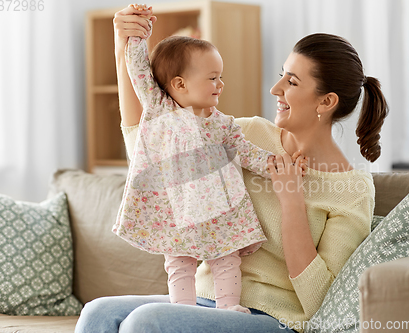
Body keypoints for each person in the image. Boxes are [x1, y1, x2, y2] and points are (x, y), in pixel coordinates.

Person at [75, 3, 388, 333]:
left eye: (292, 82)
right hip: (202, 301)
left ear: (326, 102)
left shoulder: (352, 190)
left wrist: (292, 201)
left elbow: (322, 301)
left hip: (274, 319)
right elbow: (151, 141)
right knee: (98, 312)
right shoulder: (248, 132)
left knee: (145, 322)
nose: (275, 89)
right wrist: (123, 43)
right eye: (281, 74)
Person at [111, 3, 307, 316]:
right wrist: (138, 34)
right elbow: (138, 68)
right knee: (179, 262)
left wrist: (280, 165)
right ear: (179, 84)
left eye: (221, 77)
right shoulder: (159, 108)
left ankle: (229, 309)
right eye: (213, 78)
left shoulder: (222, 123)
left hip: (219, 208)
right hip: (176, 209)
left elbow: (248, 153)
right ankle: (183, 313)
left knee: (228, 258)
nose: (221, 84)